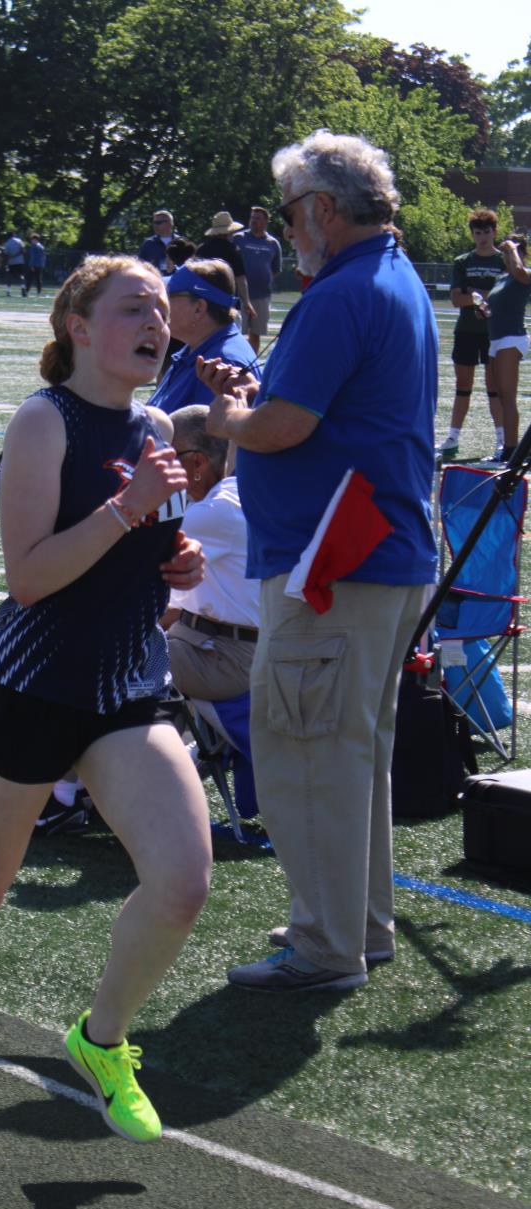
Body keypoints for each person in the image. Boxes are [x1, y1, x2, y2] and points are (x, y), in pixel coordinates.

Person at [0, 254, 212, 1144]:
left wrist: (177, 563)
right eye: (134, 307)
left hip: (126, 690)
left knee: (182, 883)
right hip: (26, 690)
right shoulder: (42, 421)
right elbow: (29, 578)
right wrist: (130, 510)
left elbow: (143, 556)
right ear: (79, 327)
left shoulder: (157, 423)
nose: (156, 323)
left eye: (162, 310)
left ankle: (101, 1041)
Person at [202, 129, 438, 991]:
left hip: (331, 564)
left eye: (293, 211)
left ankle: (326, 946)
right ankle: (353, 926)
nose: (286, 227)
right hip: (374, 553)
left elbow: (283, 426)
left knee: (306, 752)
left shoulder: (342, 292)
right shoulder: (393, 278)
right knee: (348, 754)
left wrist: (226, 420)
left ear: (325, 209)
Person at [164, 405, 259, 703]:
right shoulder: (236, 492)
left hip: (225, 658)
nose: (158, 467)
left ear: (197, 462)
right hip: (218, 642)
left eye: (167, 457)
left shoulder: (212, 514)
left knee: (106, 656)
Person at [438, 210, 507, 462]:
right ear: (472, 234)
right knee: (463, 385)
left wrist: (475, 294)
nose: (482, 237)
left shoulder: (503, 261)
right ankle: (452, 438)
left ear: (494, 232)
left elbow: (505, 297)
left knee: (494, 388)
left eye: (486, 232)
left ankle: (502, 441)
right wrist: (484, 296)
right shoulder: (462, 261)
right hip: (466, 331)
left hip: (494, 332)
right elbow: (457, 299)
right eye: (477, 233)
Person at [149, 259, 260, 415]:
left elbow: (205, 430)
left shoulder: (223, 366)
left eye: (168, 297)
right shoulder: (193, 350)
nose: (161, 306)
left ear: (198, 308)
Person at [484, 234, 530, 467]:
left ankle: (512, 451)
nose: (507, 256)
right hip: (496, 338)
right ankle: (507, 447)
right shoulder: (501, 278)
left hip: (511, 338)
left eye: (511, 252)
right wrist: (483, 311)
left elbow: (519, 269)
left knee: (508, 397)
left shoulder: (524, 274)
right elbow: (494, 306)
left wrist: (512, 247)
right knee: (500, 396)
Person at [232, 207, 282, 353]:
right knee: (237, 331)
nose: (254, 221)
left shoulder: (272, 243)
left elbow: (276, 269)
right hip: (239, 295)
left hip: (262, 295)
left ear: (266, 221)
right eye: (252, 217)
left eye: (258, 218)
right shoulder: (239, 238)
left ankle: (252, 360)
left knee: (256, 332)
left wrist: (264, 281)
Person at [195, 211, 255, 327]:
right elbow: (240, 278)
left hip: (205, 304)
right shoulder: (233, 250)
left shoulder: (202, 250)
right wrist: (247, 302)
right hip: (228, 303)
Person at [1, 230, 26, 296]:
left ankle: (8, 291)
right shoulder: (19, 241)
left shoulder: (7, 243)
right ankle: (23, 288)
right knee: (21, 275)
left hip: (11, 262)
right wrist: (16, 255)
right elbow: (23, 250)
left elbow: (6, 254)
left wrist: (6, 262)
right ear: (13, 235)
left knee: (9, 276)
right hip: (20, 261)